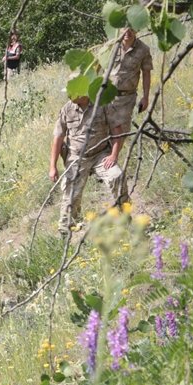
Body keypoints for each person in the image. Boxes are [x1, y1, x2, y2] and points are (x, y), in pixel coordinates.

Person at [49, 90, 127, 234]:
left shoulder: (103, 104)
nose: (69, 95)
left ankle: (126, 219)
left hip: (101, 155)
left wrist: (114, 155)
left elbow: (118, 131)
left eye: (73, 91)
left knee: (117, 176)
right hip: (76, 157)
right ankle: (66, 231)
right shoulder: (66, 109)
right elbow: (58, 138)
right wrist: (52, 166)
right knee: (71, 193)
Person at [105, 27, 153, 131]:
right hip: (106, 96)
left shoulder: (143, 49)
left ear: (137, 30)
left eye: (131, 29)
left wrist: (145, 97)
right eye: (124, 28)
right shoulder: (110, 46)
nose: (128, 32)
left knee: (121, 132)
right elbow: (98, 67)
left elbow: (146, 74)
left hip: (126, 99)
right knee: (102, 132)